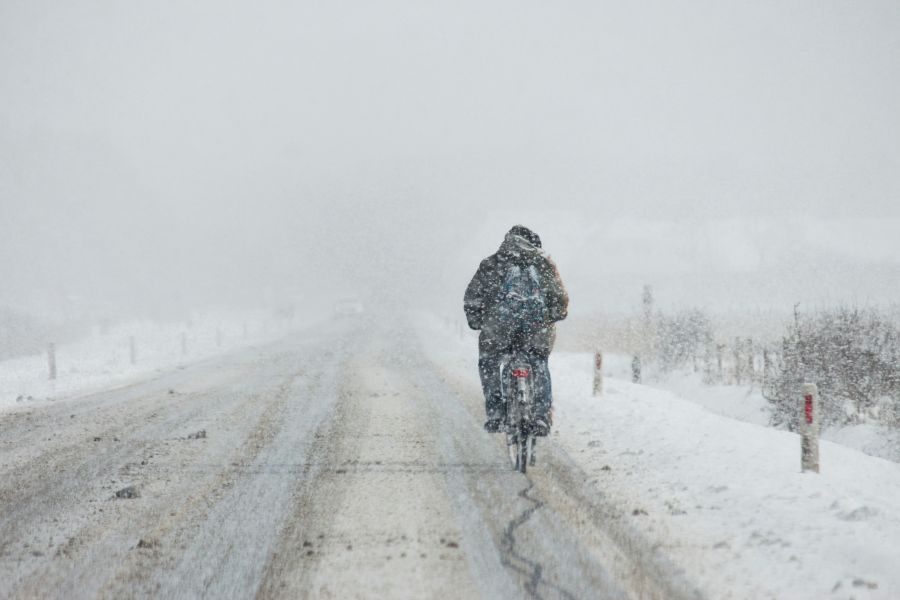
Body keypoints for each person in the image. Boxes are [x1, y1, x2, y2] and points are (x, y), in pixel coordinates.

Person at [463, 225, 568, 435]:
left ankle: (495, 414)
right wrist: (556, 314)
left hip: (498, 330)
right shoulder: (544, 264)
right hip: (536, 330)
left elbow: (473, 296)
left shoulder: (492, 263)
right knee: (538, 362)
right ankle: (540, 416)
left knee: (489, 362)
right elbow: (559, 297)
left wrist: (476, 320)